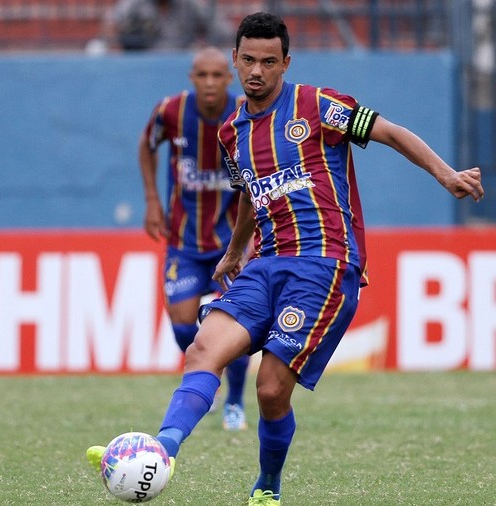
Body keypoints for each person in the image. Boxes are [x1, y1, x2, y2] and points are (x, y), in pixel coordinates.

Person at [87, 12, 484, 505]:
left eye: (268, 62)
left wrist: (445, 174)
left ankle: (267, 488)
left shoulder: (319, 106)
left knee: (272, 390)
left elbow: (391, 132)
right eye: (248, 60)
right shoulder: (232, 132)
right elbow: (253, 198)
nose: (256, 71)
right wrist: (235, 251)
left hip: (325, 264)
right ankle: (161, 451)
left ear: (285, 63)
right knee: (201, 351)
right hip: (266, 263)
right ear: (235, 59)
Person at [139, 46, 251, 431]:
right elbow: (146, 145)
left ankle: (234, 400)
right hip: (184, 241)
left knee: (237, 326)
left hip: (230, 242)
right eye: (201, 75)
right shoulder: (170, 111)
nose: (209, 83)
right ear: (191, 77)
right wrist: (153, 200)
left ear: (229, 77)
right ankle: (209, 369)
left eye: (217, 75)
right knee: (183, 325)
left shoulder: (243, 114)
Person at [99, 0, 233, 51]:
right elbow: (111, 23)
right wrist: (117, 51)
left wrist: (208, 49)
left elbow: (224, 33)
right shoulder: (135, 4)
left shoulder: (190, 5)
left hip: (179, 68)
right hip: (143, 68)